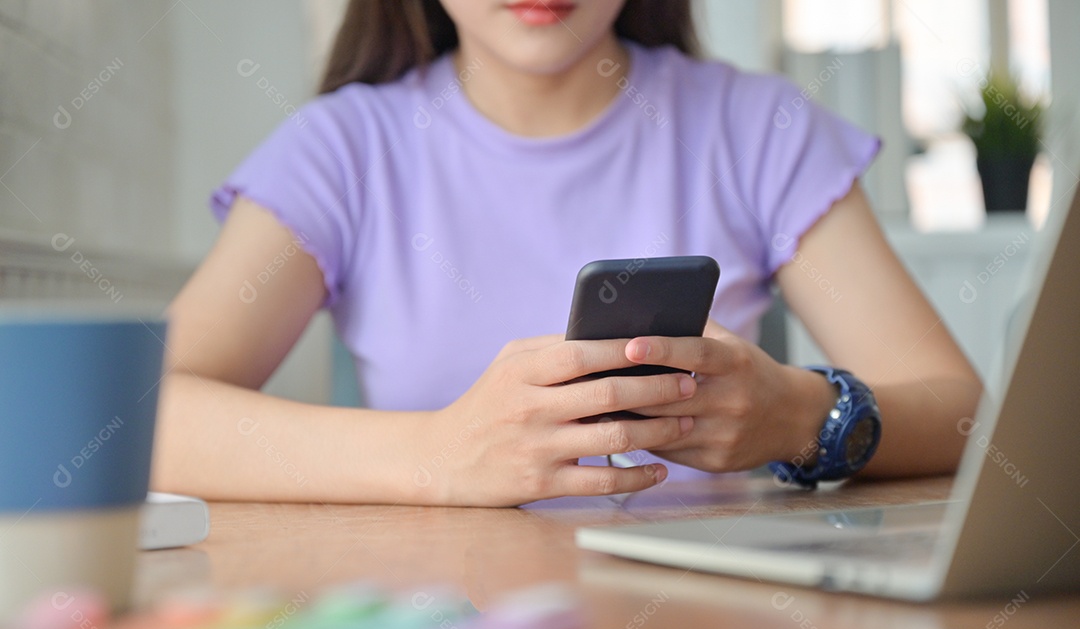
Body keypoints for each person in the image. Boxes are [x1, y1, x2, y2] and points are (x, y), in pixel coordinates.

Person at [152, 0, 982, 507]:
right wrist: (436, 454)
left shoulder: (758, 130)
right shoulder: (342, 150)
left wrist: (800, 416)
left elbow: (964, 414)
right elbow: (143, 416)